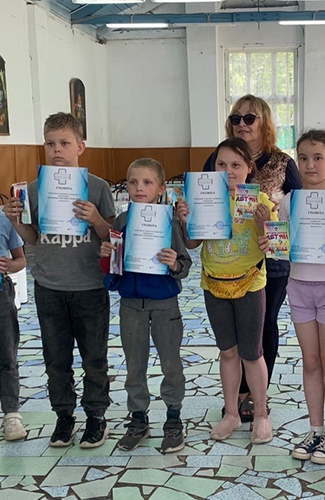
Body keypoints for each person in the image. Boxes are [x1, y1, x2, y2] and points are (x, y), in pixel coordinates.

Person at [4, 112, 115, 448]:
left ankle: (96, 416)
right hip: (50, 287)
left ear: (80, 146)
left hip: (90, 287)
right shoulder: (34, 189)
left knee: (94, 359)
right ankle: (64, 417)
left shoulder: (98, 187)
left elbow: (112, 236)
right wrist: (17, 222)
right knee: (56, 360)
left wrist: (95, 217)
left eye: (65, 143)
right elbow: (34, 238)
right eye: (50, 143)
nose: (57, 150)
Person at [260, 129, 325, 464]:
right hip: (300, 286)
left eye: (318, 158)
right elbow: (283, 248)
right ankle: (315, 429)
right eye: (303, 158)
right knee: (311, 362)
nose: (309, 165)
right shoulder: (290, 202)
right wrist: (269, 241)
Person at [204, 94, 302, 421]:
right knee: (233, 338)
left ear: (265, 123)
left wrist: (275, 216)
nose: (242, 124)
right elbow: (203, 199)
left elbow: (300, 208)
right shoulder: (217, 157)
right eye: (236, 118)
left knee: (264, 326)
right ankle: (238, 394)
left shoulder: (282, 162)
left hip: (271, 259)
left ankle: (258, 397)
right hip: (228, 259)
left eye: (250, 118)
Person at [178, 138, 275, 443]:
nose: (229, 171)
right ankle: (231, 413)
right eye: (222, 164)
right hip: (214, 284)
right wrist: (186, 221)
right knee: (227, 352)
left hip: (249, 284)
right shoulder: (203, 198)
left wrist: (264, 222)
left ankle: (261, 414)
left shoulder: (260, 200)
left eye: (236, 165)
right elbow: (192, 244)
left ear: (249, 168)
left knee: (252, 353)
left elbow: (273, 246)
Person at [100, 158, 192, 453]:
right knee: (134, 364)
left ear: (161, 189)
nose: (139, 188)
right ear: (126, 187)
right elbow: (113, 269)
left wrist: (174, 262)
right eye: (133, 182)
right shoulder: (121, 222)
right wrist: (108, 256)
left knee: (171, 363)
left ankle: (173, 418)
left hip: (164, 304)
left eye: (147, 182)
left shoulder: (170, 222)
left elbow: (185, 264)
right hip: (130, 304)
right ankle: (138, 418)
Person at [0, 211, 27, 441]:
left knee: (7, 354)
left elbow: (21, 260)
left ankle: (11, 414)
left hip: (1, 295)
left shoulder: (3, 220)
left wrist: (9, 265)